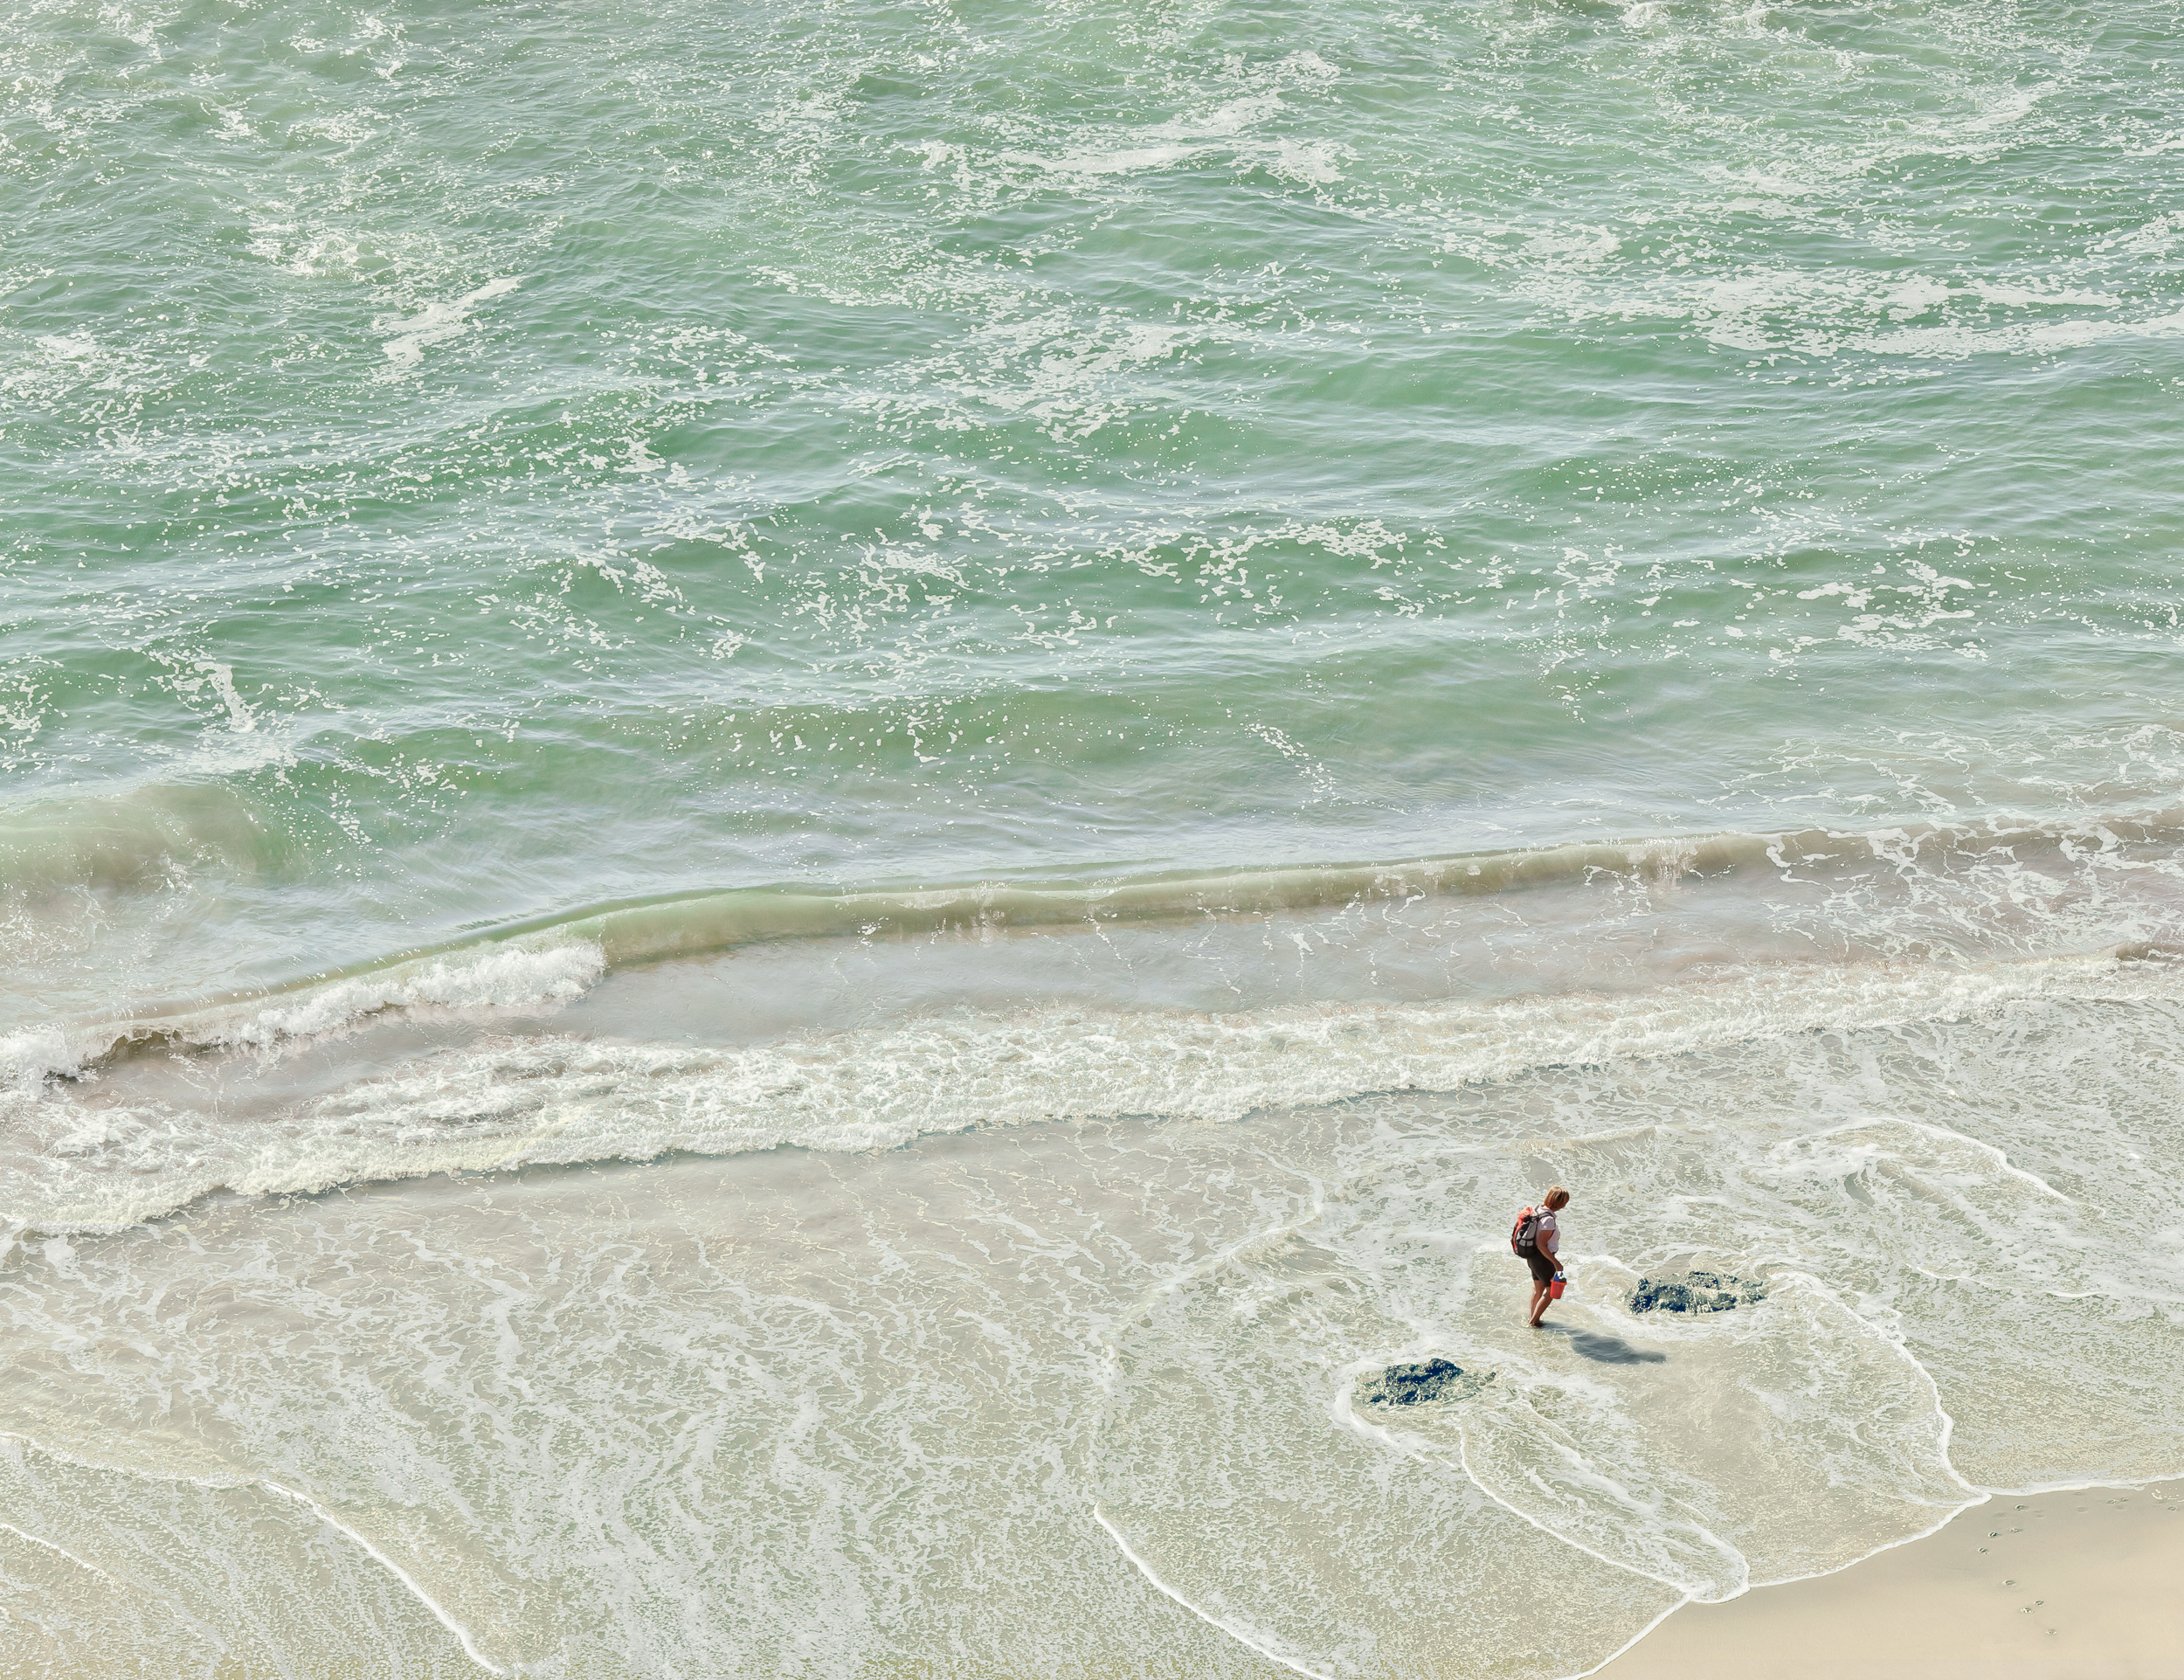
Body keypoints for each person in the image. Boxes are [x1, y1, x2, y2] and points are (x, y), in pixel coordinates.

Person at [1524, 1186, 1570, 1329]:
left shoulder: (1538, 1209)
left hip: (1532, 1257)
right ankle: (1534, 1321)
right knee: (1550, 1292)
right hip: (1542, 1259)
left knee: (1538, 1289)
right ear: (1559, 1203)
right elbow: (1542, 1245)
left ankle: (1534, 1319)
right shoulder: (1548, 1219)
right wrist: (1557, 1264)